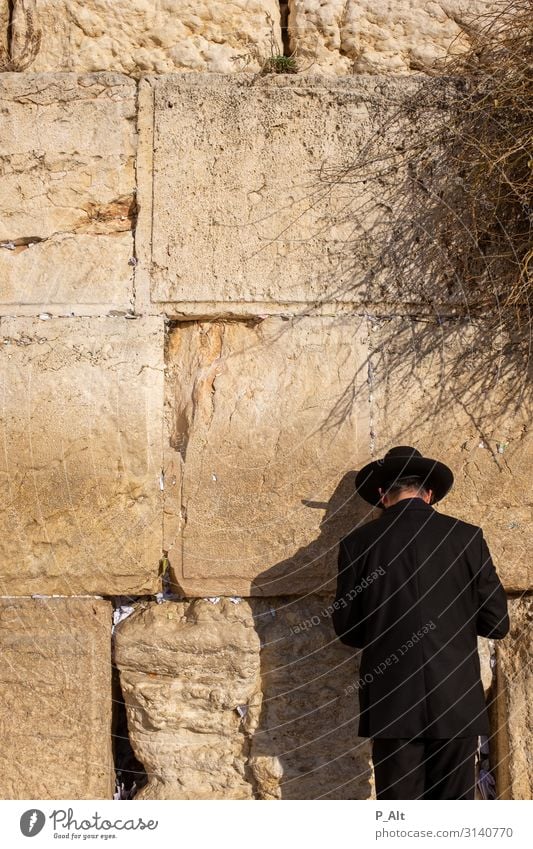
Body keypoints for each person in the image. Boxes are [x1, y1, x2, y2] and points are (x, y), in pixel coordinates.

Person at [332, 446, 510, 800]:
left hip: (392, 701)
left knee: (399, 815)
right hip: (455, 701)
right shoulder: (466, 538)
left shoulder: (357, 544)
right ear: (429, 493)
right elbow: (497, 623)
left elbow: (348, 631)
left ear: (383, 495)